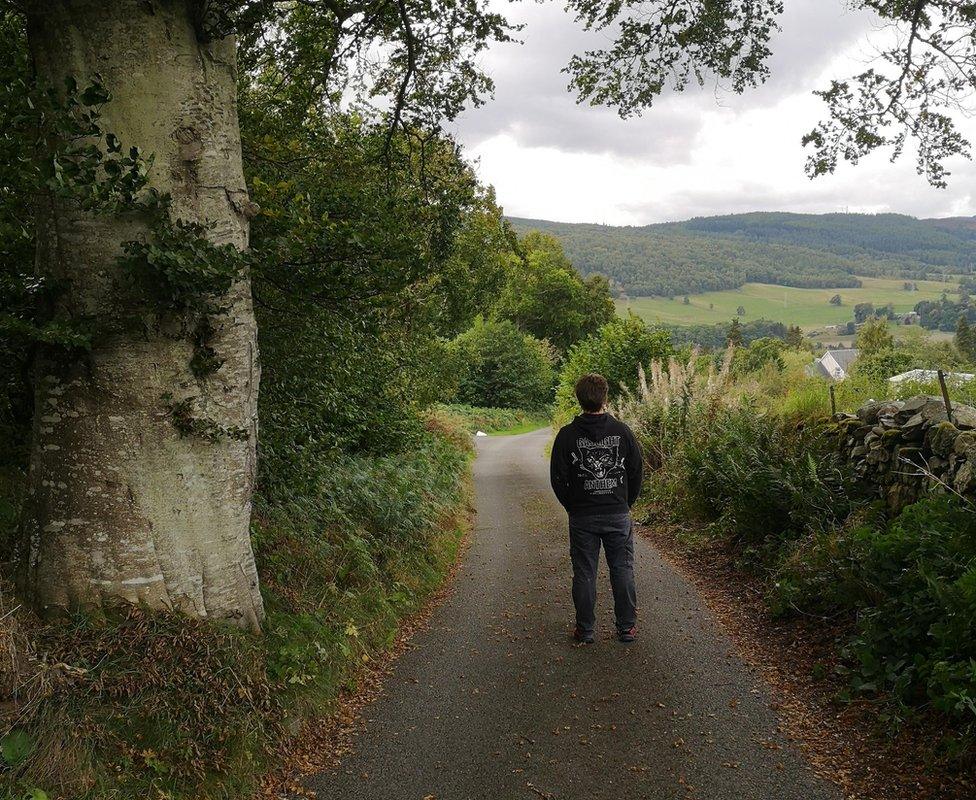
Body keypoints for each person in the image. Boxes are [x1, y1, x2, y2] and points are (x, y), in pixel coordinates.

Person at [549, 373, 643, 644]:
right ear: (605, 397)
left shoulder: (567, 436)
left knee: (585, 572)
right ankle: (626, 628)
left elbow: (557, 478)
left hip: (582, 516)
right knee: (623, 568)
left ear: (579, 399)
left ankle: (586, 630)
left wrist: (573, 505)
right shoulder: (623, 431)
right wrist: (626, 503)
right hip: (617, 513)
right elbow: (637, 471)